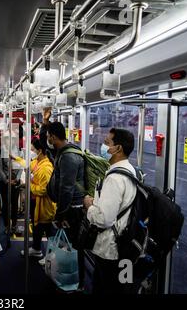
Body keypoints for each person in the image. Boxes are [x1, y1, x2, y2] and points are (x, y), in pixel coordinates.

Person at [83, 128, 137, 294]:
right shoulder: (129, 170)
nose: (103, 146)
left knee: (103, 287)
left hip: (109, 250)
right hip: (123, 245)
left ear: (118, 148)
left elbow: (104, 219)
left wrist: (89, 206)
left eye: (107, 143)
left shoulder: (115, 178)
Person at [46, 121, 86, 289]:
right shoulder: (63, 152)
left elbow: (67, 189)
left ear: (54, 137)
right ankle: (69, 276)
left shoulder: (68, 156)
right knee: (70, 245)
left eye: (48, 136)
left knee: (75, 247)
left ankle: (77, 282)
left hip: (73, 210)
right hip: (70, 208)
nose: (47, 139)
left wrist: (61, 214)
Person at [18, 139, 56, 263]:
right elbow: (28, 164)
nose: (31, 152)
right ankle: (36, 248)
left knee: (47, 229)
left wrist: (28, 185)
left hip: (44, 204)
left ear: (40, 151)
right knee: (37, 226)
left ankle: (51, 257)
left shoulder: (46, 168)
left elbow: (44, 190)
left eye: (32, 150)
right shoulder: (36, 162)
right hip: (35, 201)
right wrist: (15, 158)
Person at [0, 132, 22, 233]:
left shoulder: (19, 151)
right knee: (6, 204)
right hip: (4, 182)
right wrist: (6, 180)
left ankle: (15, 225)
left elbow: (21, 166)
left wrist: (17, 179)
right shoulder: (1, 151)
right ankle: (7, 226)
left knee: (15, 204)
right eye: (7, 138)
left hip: (15, 181)